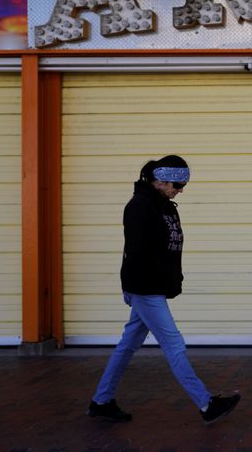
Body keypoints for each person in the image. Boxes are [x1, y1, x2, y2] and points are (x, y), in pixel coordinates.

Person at [86, 155, 240, 425]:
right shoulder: (139, 207)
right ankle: (207, 404)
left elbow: (170, 248)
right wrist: (132, 288)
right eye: (177, 184)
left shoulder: (166, 207)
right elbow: (134, 252)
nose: (180, 190)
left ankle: (101, 401)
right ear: (159, 180)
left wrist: (172, 279)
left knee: (127, 345)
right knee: (174, 344)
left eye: (183, 186)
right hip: (145, 289)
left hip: (154, 287)